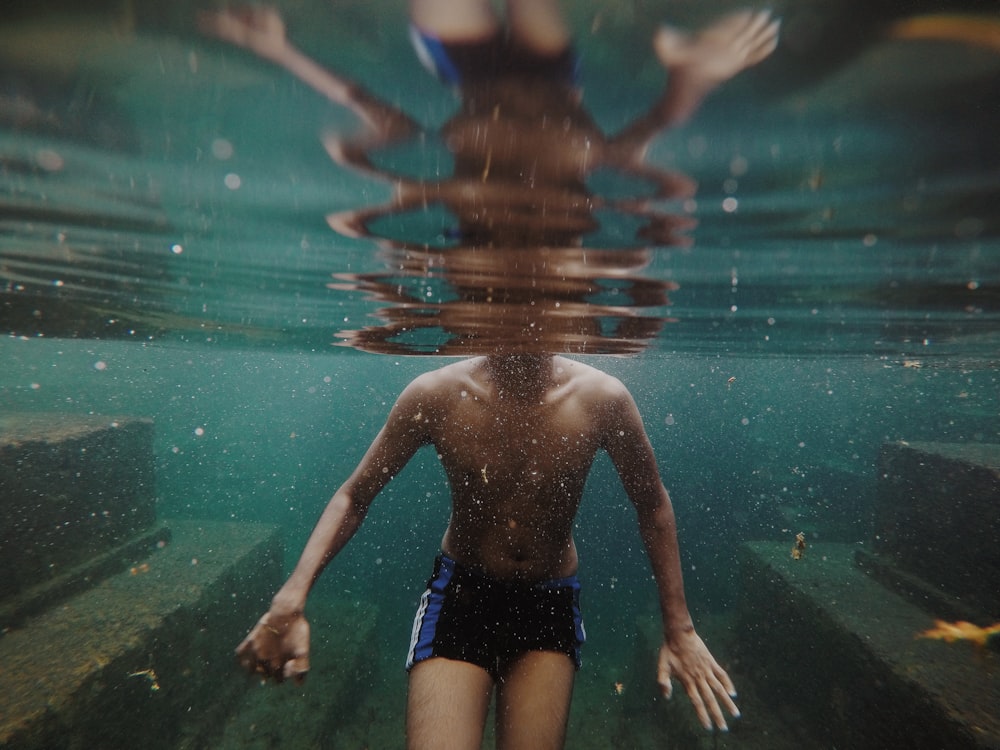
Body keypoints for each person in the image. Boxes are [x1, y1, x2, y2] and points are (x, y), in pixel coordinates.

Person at [236, 353, 740, 748]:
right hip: (461, 599)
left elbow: (652, 506)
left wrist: (680, 628)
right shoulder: (436, 394)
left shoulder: (602, 398)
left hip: (548, 605)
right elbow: (355, 494)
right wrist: (291, 597)